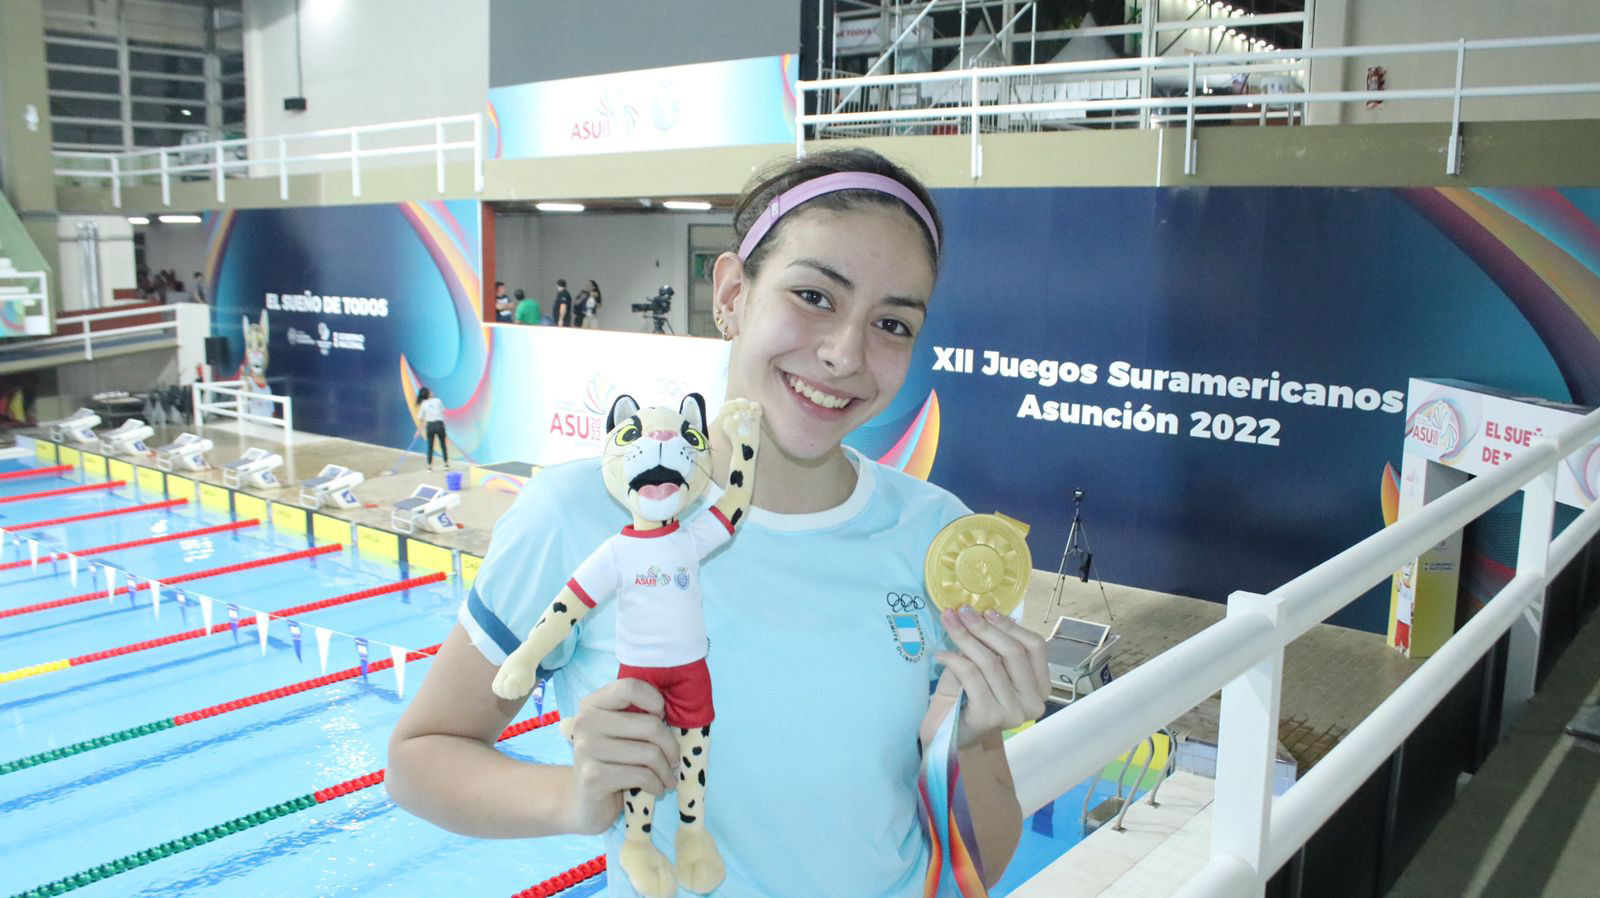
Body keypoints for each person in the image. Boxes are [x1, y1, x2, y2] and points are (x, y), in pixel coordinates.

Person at [387, 148, 1047, 897]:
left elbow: (981, 863)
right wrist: (572, 798)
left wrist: (977, 738)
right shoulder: (578, 514)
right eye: (814, 296)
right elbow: (420, 757)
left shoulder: (935, 537)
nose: (844, 354)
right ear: (733, 293)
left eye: (892, 323)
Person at [417, 386, 448, 470]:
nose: (432, 391)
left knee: (430, 446)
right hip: (439, 425)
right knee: (443, 445)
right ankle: (446, 464)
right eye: (430, 391)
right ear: (428, 394)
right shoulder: (438, 401)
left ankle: (429, 466)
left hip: (430, 426)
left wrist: (418, 431)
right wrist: (444, 424)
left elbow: (421, 419)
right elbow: (443, 412)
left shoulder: (423, 404)